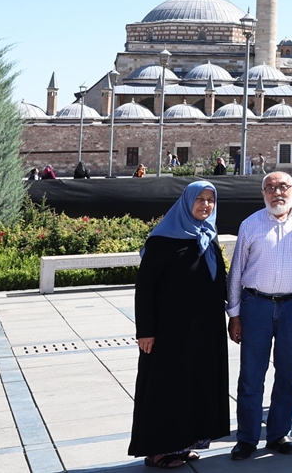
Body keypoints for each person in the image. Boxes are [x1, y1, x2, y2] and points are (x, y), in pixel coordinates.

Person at [129, 181, 229, 468]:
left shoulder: (207, 236)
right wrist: (145, 330)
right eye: (200, 199)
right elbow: (145, 287)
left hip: (203, 330)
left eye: (211, 200)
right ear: (187, 202)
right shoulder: (163, 240)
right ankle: (158, 449)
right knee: (165, 388)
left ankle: (182, 444)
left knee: (193, 386)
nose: (206, 205)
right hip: (168, 332)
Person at [226, 172, 292, 459]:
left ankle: (280, 433)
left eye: (282, 187)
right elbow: (236, 273)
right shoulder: (251, 224)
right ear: (263, 194)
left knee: (289, 373)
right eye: (269, 188)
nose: (276, 193)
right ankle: (246, 437)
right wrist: (234, 314)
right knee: (251, 375)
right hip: (255, 306)